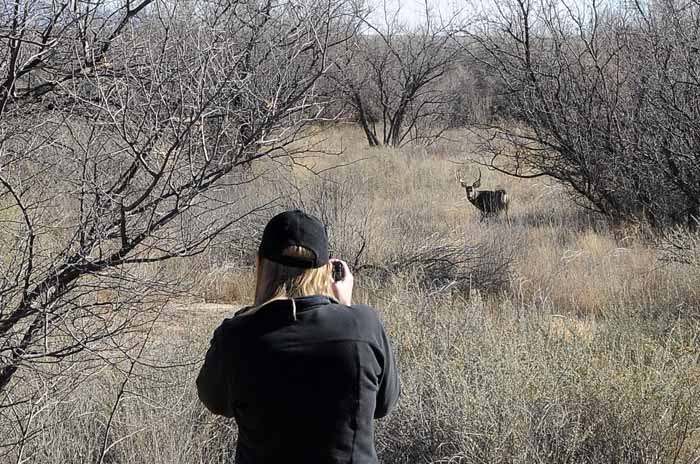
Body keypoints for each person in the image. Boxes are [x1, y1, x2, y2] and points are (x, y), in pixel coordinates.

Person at [196, 209, 401, 463]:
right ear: (328, 270)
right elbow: (384, 404)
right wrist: (345, 310)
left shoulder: (236, 336)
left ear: (260, 264)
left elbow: (214, 401)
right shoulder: (364, 326)